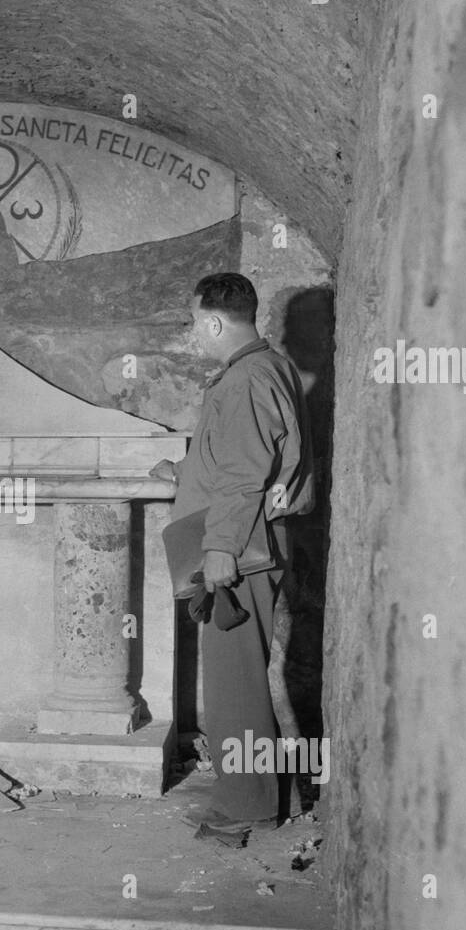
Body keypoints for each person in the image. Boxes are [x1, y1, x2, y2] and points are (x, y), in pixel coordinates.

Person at [152, 273, 315, 839]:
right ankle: (271, 795)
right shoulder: (267, 368)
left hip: (240, 552)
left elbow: (246, 474)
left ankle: (242, 808)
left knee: (234, 688)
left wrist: (219, 549)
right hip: (252, 543)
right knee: (245, 680)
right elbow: (248, 458)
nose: (194, 332)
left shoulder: (245, 380)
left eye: (195, 322)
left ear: (214, 321)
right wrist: (185, 472)